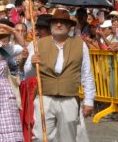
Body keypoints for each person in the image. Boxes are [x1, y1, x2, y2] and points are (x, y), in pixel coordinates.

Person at [25, 9, 95, 142]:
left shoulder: (80, 45)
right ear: (51, 25)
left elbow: (87, 74)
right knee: (40, 137)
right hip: (45, 97)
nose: (58, 25)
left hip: (69, 98)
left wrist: (89, 100)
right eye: (55, 22)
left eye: (62, 22)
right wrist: (32, 64)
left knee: (67, 138)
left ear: (69, 26)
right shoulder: (37, 44)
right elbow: (27, 73)